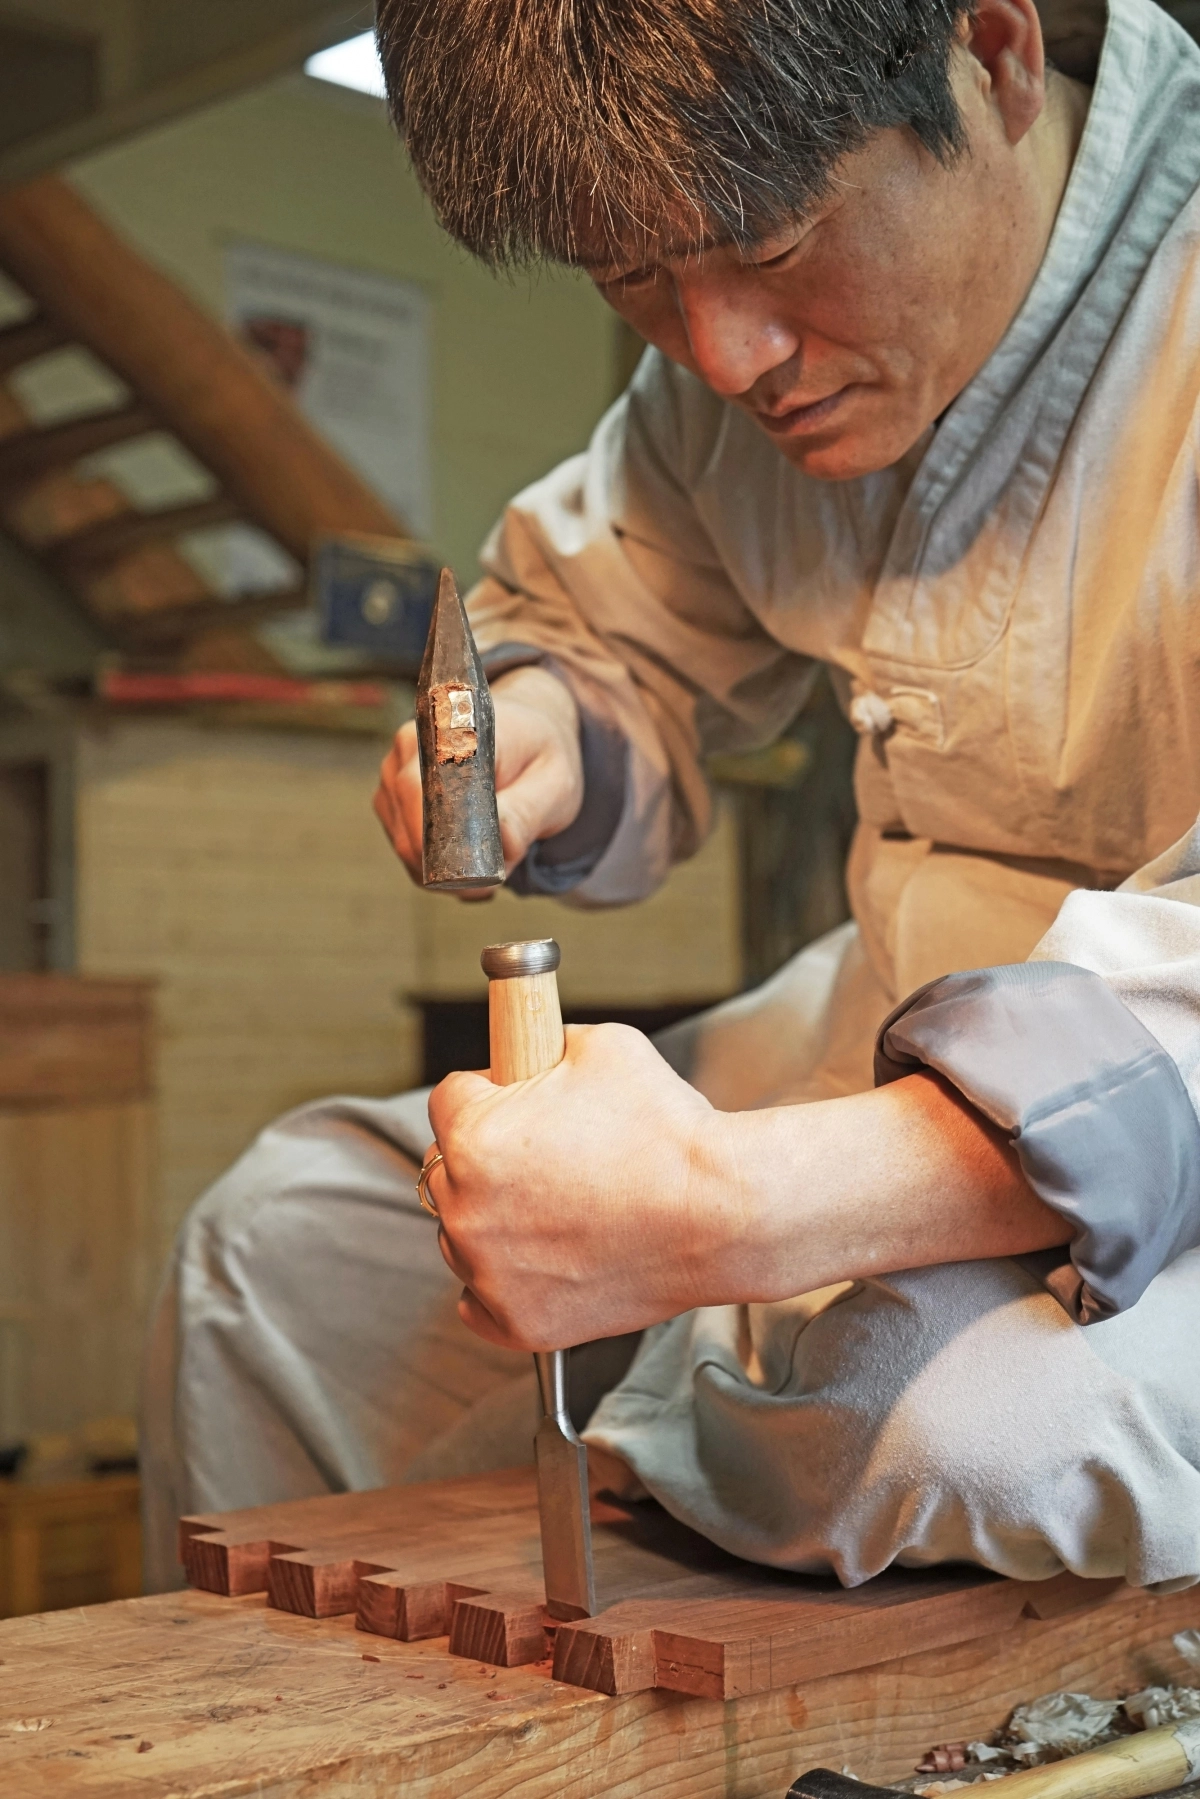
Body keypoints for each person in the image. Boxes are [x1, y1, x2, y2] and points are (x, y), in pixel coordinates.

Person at [141, 0, 1200, 1597]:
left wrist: (735, 1209)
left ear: (988, 50)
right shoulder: (736, 362)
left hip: (1167, 1119)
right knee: (279, 1255)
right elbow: (608, 609)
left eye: (773, 249)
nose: (723, 356)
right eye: (635, 280)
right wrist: (557, 722)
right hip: (884, 1024)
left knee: (969, 1425)